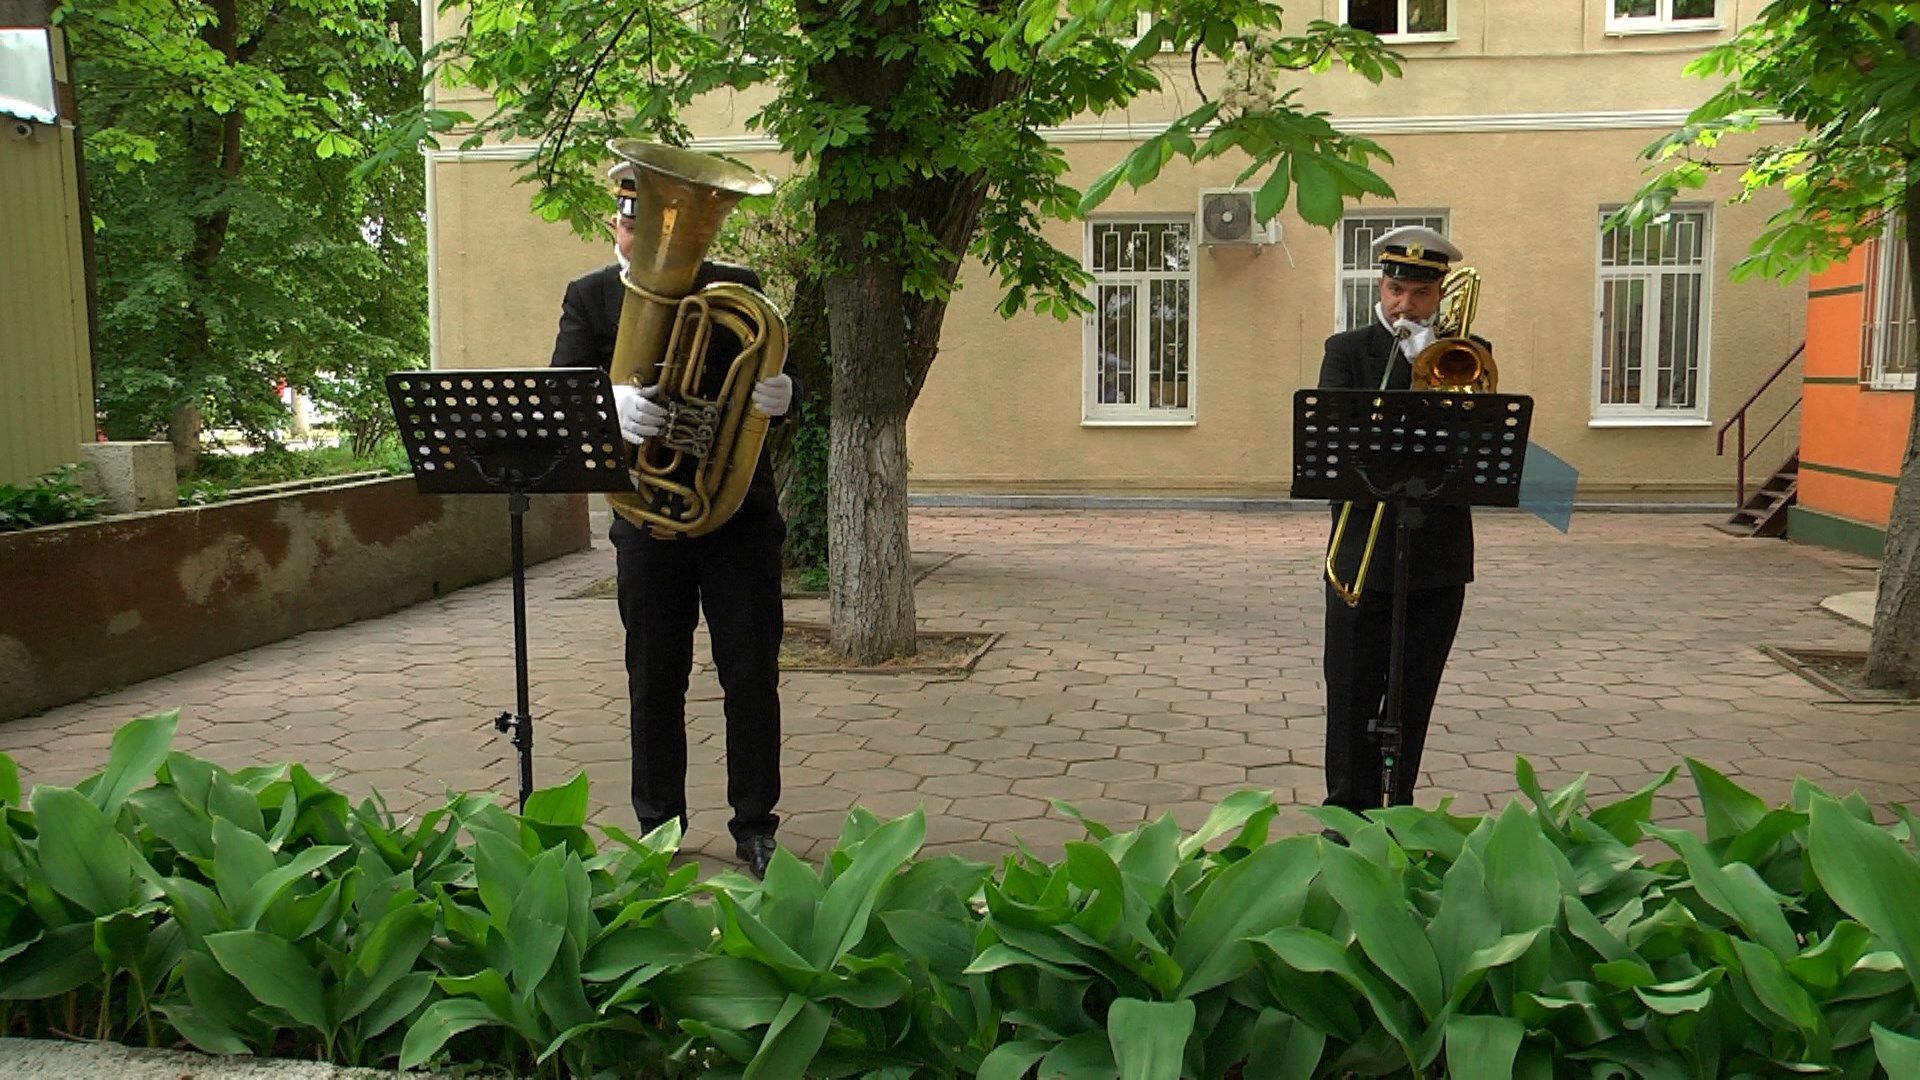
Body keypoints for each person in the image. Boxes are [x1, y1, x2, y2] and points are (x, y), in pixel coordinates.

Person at [550, 164, 799, 879]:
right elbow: (565, 399)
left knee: (750, 676)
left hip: (737, 518)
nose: (644, 232)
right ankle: (659, 825)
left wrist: (785, 394)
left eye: (657, 218)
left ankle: (756, 826)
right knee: (654, 677)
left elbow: (784, 378)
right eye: (632, 219)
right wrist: (611, 405)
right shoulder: (591, 298)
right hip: (648, 520)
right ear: (614, 225)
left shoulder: (738, 290)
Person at [1317, 225, 1482, 814]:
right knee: (1352, 695)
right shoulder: (1346, 350)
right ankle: (1344, 815)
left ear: (1440, 294)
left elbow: (1473, 449)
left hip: (1436, 557)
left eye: (1417, 294)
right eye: (1393, 290)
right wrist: (1399, 371)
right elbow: (1336, 447)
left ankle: (1399, 811)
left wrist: (1427, 368)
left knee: (1414, 698)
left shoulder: (1470, 353)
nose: (1403, 305)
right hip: (1359, 556)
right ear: (1379, 287)